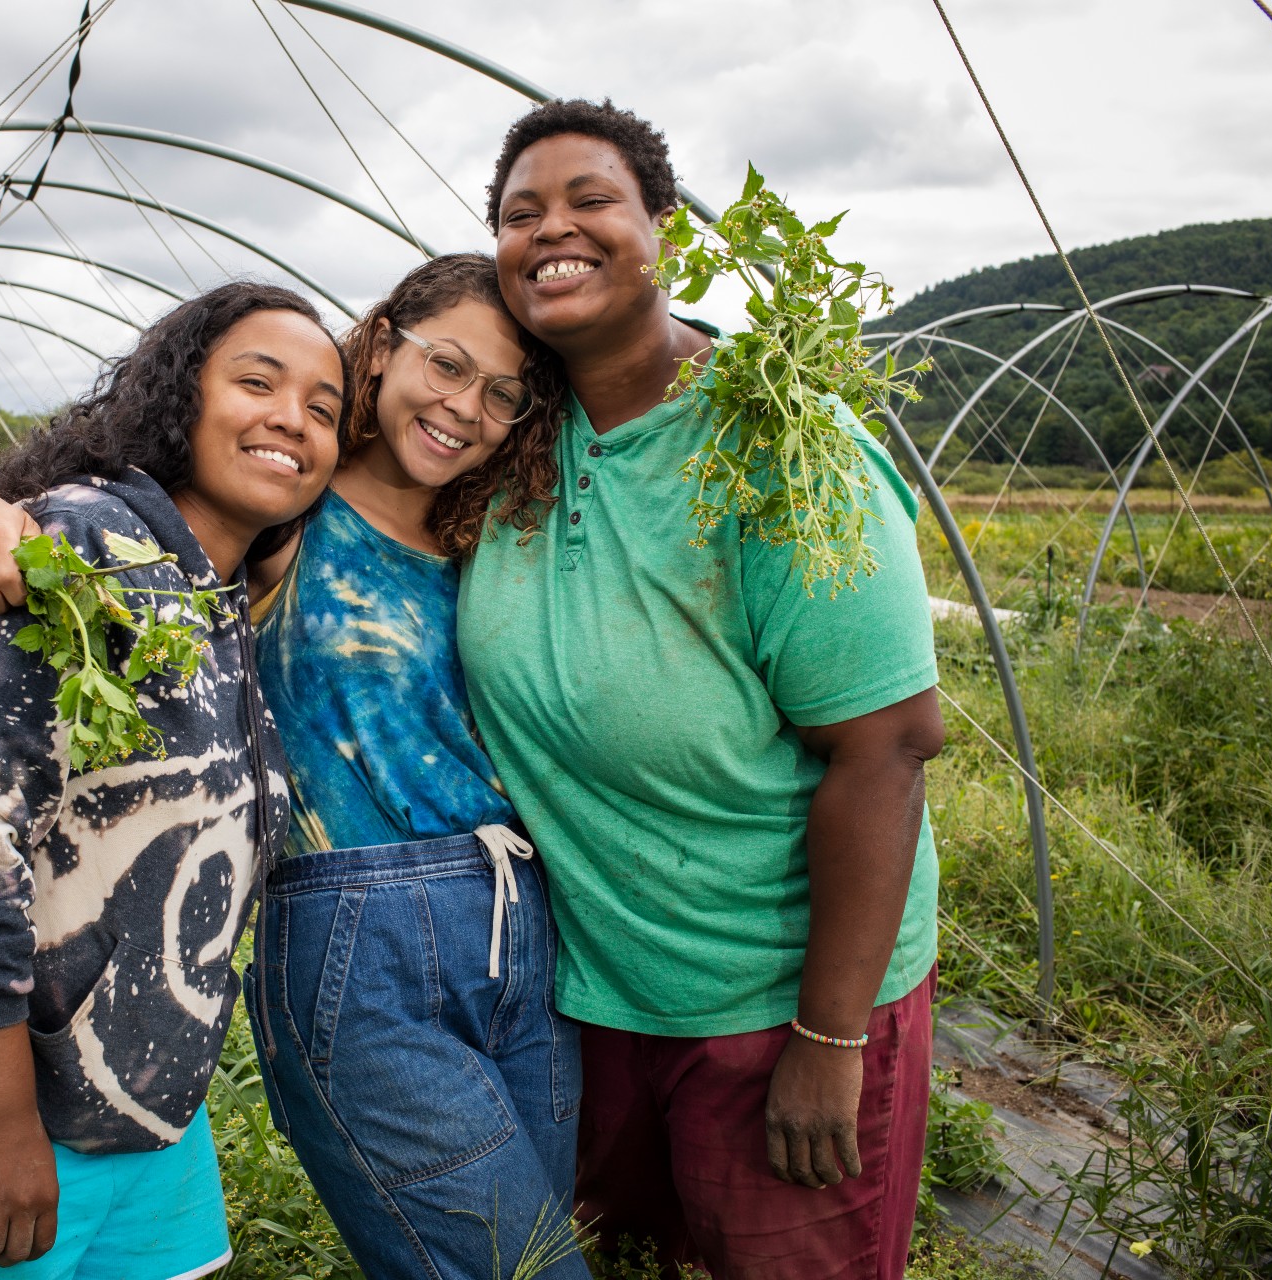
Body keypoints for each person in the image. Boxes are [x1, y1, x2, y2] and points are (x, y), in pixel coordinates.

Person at [0, 254, 588, 1280]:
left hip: (518, 921)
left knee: (540, 1238)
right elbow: (119, 519)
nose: (465, 406)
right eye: (447, 364)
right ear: (383, 348)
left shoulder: (498, 535)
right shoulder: (288, 518)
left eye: (503, 394)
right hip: (362, 926)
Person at [459, 100, 945, 1279]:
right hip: (593, 999)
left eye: (589, 201)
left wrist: (829, 1038)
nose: (552, 230)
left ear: (662, 230)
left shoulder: (774, 442)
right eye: (521, 214)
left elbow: (885, 747)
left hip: (770, 998)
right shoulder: (504, 437)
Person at [0, 281, 343, 1280]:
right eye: (257, 382)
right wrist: (2, 1124)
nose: (291, 418)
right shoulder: (81, 548)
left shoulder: (215, 590)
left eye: (322, 406)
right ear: (182, 395)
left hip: (137, 1104)